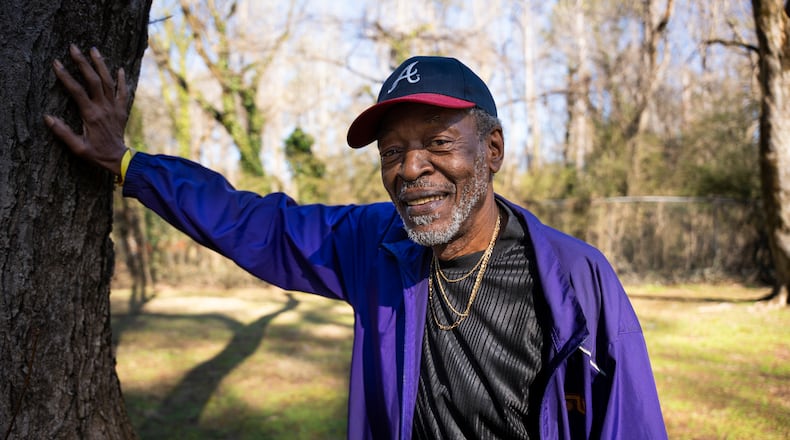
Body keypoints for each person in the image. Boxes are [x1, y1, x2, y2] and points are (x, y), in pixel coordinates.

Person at [45, 44, 668, 439]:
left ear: (492, 150)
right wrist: (129, 164)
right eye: (392, 151)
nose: (411, 168)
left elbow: (630, 421)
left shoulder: (575, 277)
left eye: (438, 143)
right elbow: (253, 222)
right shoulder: (376, 246)